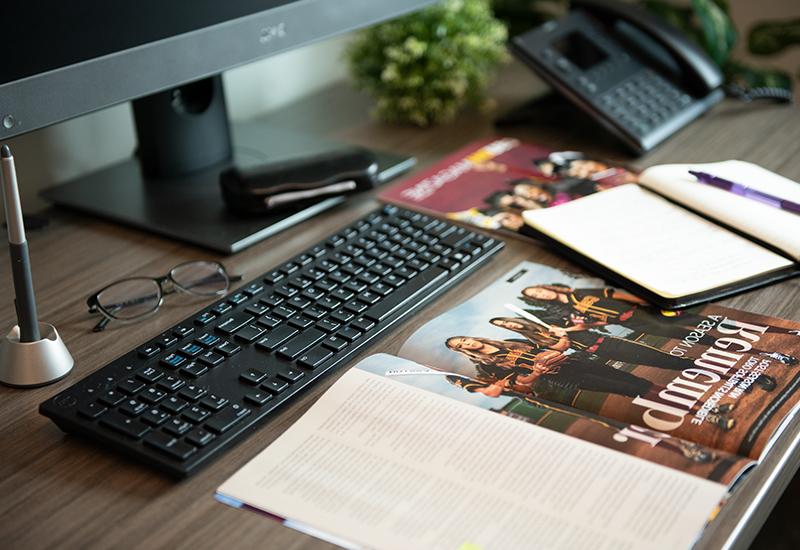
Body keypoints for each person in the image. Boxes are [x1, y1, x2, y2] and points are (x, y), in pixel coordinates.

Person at [445, 336, 738, 430]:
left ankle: (700, 406)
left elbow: (555, 349)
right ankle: (706, 415)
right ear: (461, 350)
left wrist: (551, 354)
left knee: (639, 381)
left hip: (578, 362)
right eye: (460, 344)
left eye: (464, 338)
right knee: (633, 390)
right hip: (570, 379)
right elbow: (521, 383)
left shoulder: (510, 342)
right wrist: (537, 370)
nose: (467, 342)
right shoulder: (486, 365)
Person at [519, 284, 798, 367]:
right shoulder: (572, 308)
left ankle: (786, 331)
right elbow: (601, 319)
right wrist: (574, 327)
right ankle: (764, 355)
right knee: (703, 340)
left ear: (545, 288)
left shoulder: (580, 292)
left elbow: (618, 295)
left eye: (539, 293)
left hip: (647, 313)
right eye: (535, 297)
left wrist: (650, 304)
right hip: (640, 325)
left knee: (712, 323)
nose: (540, 296)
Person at [489, 316, 694, 371]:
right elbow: (561, 348)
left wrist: (564, 330)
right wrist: (562, 338)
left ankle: (693, 365)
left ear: (514, 320)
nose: (508, 325)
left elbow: (586, 324)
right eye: (504, 326)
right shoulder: (533, 339)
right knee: (654, 364)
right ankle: (690, 368)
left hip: (606, 340)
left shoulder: (550, 321)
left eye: (506, 321)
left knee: (659, 356)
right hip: (600, 351)